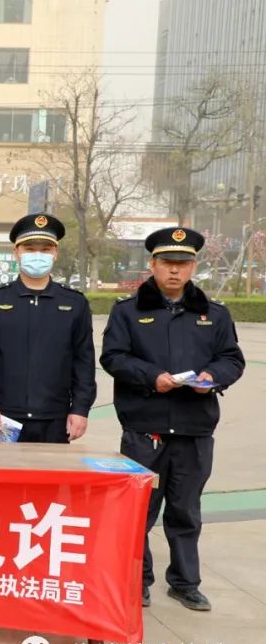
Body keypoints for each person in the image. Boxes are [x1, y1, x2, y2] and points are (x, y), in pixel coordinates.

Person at [100, 227, 245, 611]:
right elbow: (113, 357)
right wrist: (152, 377)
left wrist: (212, 377)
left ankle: (184, 582)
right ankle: (137, 580)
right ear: (153, 264)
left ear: (194, 265)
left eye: (183, 263)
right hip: (144, 428)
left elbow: (231, 358)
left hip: (194, 428)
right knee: (139, 511)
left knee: (186, 511)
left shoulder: (213, 314)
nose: (175, 270)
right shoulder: (128, 311)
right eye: (167, 262)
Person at [0, 214, 96, 443]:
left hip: (56, 417)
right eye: (29, 249)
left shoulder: (74, 303)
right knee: (4, 469)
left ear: (55, 253)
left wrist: (80, 408)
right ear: (16, 252)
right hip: (5, 416)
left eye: (46, 249)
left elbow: (83, 361)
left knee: (51, 468)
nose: (38, 255)